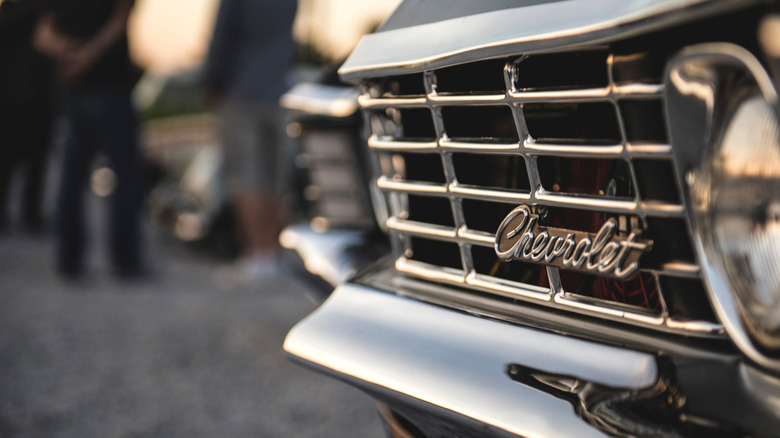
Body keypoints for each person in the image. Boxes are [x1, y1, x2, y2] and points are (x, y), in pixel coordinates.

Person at [34, 0, 143, 278]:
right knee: (124, 178)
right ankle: (125, 261)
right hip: (111, 86)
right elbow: (119, 21)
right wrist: (86, 56)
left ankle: (69, 259)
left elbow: (44, 35)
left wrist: (68, 53)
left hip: (74, 89)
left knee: (71, 176)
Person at [202, 0, 297, 285]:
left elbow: (222, 36)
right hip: (280, 91)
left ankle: (256, 254)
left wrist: (210, 80)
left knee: (247, 176)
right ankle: (273, 254)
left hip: (242, 91)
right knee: (275, 178)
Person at [0, 0, 54, 233]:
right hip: (10, 101)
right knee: (6, 162)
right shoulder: (14, 11)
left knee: (37, 163)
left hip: (39, 101)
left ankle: (31, 214)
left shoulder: (46, 11)